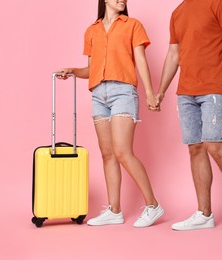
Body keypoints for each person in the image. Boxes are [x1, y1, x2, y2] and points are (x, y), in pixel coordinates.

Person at [56, 0, 164, 228]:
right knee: (107, 154)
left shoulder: (132, 25)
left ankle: (153, 205)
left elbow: (141, 60)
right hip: (98, 94)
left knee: (123, 151)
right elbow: (91, 68)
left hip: (123, 92)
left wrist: (150, 93)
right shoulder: (92, 30)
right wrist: (73, 71)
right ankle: (115, 210)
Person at [156, 0, 222, 232]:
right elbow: (173, 54)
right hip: (185, 92)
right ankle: (204, 214)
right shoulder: (178, 12)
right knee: (195, 148)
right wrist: (161, 91)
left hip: (213, 88)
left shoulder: (220, 2)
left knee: (215, 146)